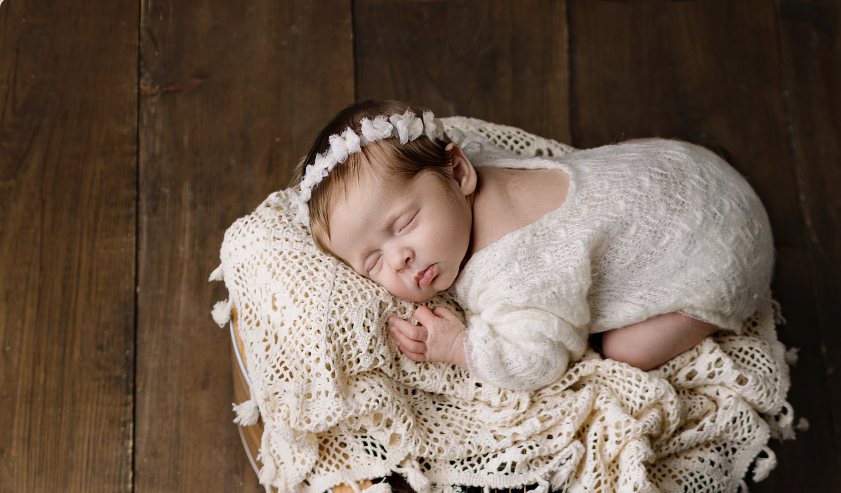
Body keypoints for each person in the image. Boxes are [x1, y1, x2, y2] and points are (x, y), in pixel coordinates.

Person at [292, 101, 774, 395]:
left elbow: (539, 361)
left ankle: (706, 306)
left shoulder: (514, 271)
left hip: (726, 253)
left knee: (622, 349)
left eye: (404, 223)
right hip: (689, 170)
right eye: (372, 261)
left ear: (459, 172)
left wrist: (460, 346)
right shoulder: (472, 162)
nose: (399, 258)